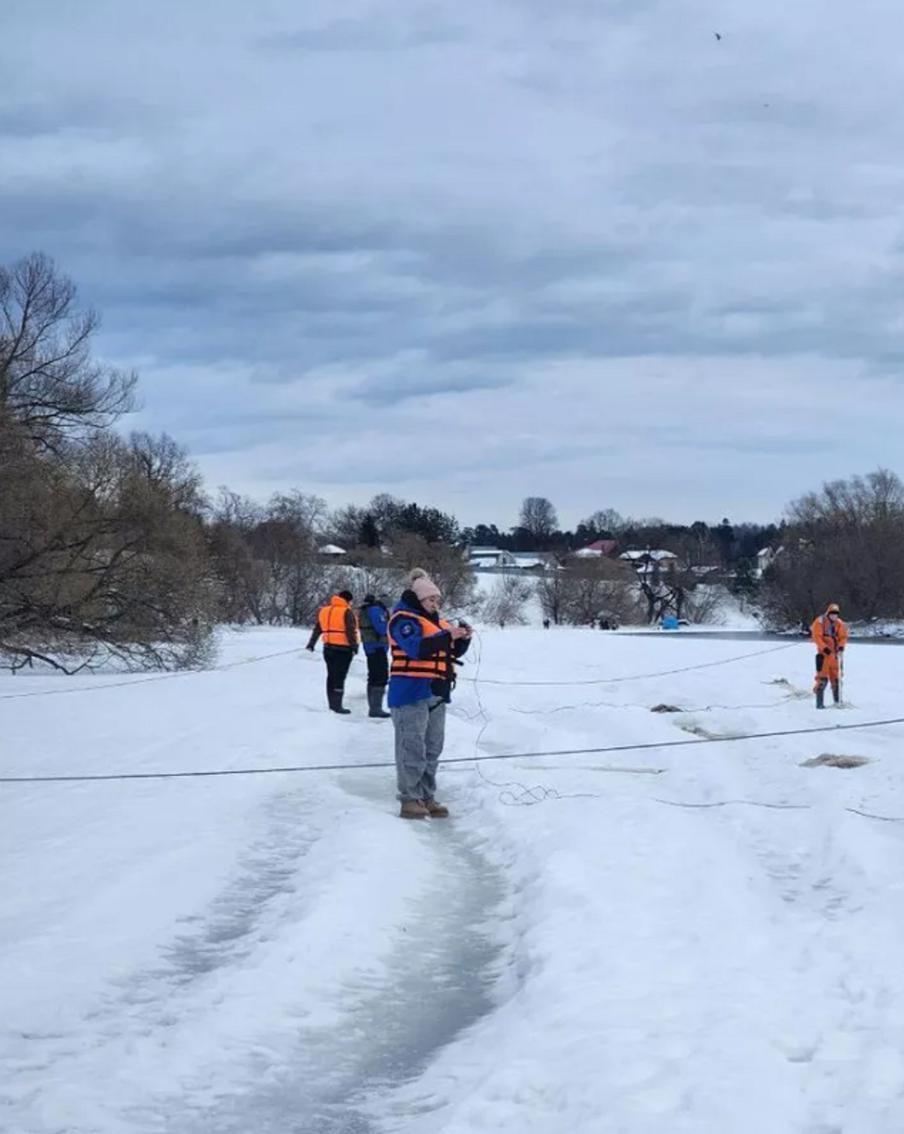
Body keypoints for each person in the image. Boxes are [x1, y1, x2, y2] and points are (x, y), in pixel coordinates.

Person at [387, 568, 471, 819]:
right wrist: (447, 635)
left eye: (437, 600)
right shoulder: (403, 620)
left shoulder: (437, 623)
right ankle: (410, 798)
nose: (435, 604)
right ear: (419, 599)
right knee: (411, 747)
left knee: (433, 747)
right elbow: (417, 649)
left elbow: (448, 652)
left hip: (436, 691)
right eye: (431, 600)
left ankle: (426, 796)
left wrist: (462, 639)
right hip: (410, 691)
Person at [306, 590, 358, 714]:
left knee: (331, 676)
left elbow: (317, 629)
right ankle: (338, 706)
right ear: (347, 600)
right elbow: (350, 630)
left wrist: (311, 644)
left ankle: (332, 704)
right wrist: (354, 646)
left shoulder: (325, 610)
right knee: (340, 677)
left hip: (328, 648)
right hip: (343, 649)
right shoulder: (346, 611)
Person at [359, 593, 391, 718]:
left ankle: (373, 706)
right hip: (377, 646)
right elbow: (381, 628)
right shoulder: (376, 610)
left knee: (373, 676)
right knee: (380, 676)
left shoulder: (366, 609)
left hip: (369, 645)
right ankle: (375, 708)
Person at [811, 601, 848, 708]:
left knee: (836, 680)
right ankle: (819, 704)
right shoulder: (820, 622)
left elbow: (843, 637)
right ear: (828, 613)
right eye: (832, 613)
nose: (834, 615)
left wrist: (841, 646)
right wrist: (824, 648)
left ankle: (837, 702)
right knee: (822, 679)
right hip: (824, 655)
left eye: (836, 614)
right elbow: (816, 636)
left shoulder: (840, 624)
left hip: (836, 656)